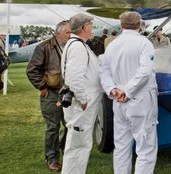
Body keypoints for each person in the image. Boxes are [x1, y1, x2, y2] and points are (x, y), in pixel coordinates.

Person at [99, 12, 158, 174]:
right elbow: (145, 72)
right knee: (146, 149)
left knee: (121, 146)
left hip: (118, 102)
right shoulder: (144, 43)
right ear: (139, 24)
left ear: (121, 24)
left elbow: (104, 72)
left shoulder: (112, 45)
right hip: (141, 101)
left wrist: (113, 90)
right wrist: (128, 91)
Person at [27, 20, 71, 172]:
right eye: (67, 32)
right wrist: (42, 86)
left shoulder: (72, 46)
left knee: (70, 125)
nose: (70, 35)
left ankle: (65, 150)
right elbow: (32, 70)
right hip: (51, 93)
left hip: (69, 93)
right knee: (52, 127)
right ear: (58, 33)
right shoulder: (44, 47)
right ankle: (52, 159)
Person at [60, 14, 102, 173]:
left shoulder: (77, 44)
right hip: (81, 105)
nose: (92, 27)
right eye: (91, 24)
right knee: (78, 146)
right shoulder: (77, 46)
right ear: (84, 27)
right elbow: (74, 78)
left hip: (81, 104)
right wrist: (84, 100)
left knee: (80, 145)